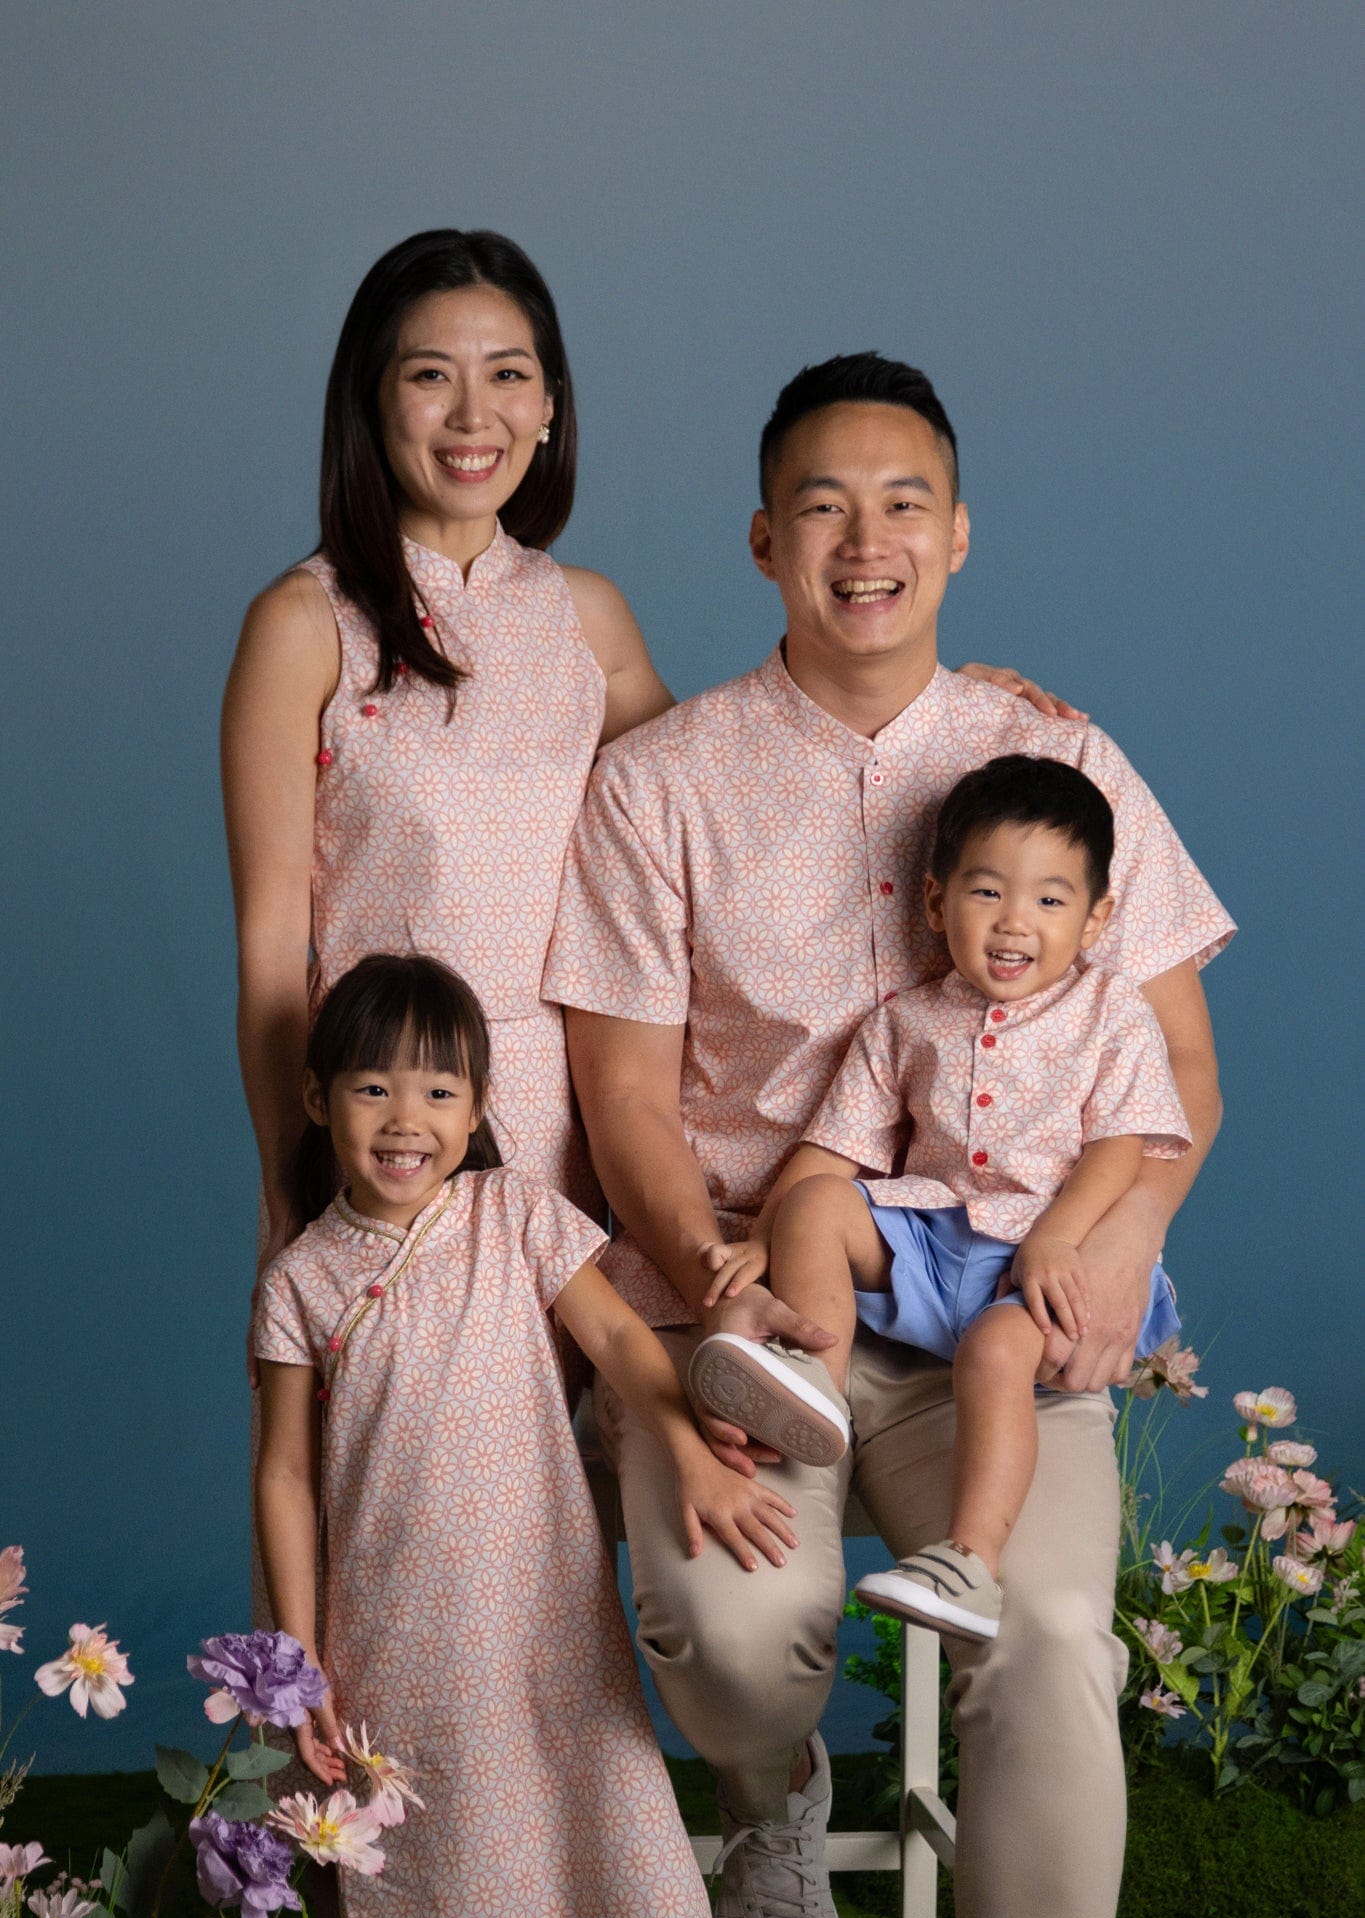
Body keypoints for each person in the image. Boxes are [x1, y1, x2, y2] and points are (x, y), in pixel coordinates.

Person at [544, 353, 1232, 1918]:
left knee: (1059, 1633)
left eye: (904, 499)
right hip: (758, 1311)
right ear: (768, 537)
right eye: (826, 505)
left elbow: (1183, 1077)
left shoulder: (1058, 757)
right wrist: (721, 1278)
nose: (868, 538)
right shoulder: (664, 781)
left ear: (960, 532)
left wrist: (1124, 1232)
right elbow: (621, 1097)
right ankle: (771, 1808)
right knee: (722, 1616)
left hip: (1003, 1315)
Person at [221, 226, 1054, 1273]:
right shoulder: (306, 625)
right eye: (431, 376)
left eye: (509, 376)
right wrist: (295, 1182)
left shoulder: (584, 618)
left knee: (551, 1422)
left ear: (551, 405)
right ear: (371, 399)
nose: (475, 416)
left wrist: (943, 705)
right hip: (381, 1121)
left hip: (556, 1125)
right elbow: (268, 956)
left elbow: (742, 766)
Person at [254, 953, 798, 1918]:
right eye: (372, 1087)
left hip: (539, 1614)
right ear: (318, 1099)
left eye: (440, 1091)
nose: (407, 1118)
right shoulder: (300, 1280)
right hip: (391, 1630)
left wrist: (691, 1449)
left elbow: (621, 1340)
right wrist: (295, 1650)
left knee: (564, 1863)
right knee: (406, 1872)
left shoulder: (517, 1216)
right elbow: (284, 1473)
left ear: (479, 1106)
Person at [687, 755, 1192, 1642]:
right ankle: (815, 1384)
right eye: (986, 892)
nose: (1013, 923)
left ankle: (969, 1561)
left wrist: (1059, 1239)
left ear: (1095, 918)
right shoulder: (904, 1020)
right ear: (934, 903)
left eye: (1048, 900)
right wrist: (768, 1238)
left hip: (1049, 1262)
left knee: (997, 1354)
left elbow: (1123, 1144)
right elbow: (834, 1147)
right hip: (936, 1239)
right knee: (814, 1206)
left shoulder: (1111, 1013)